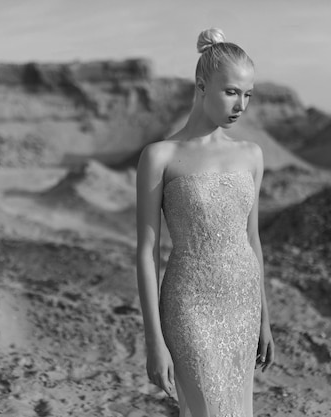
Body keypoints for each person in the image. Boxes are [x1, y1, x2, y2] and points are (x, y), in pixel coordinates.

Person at [135, 28, 274, 416]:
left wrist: (264, 317)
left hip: (243, 305)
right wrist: (154, 340)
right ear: (201, 86)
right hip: (189, 307)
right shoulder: (159, 157)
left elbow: (252, 238)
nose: (241, 105)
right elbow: (146, 253)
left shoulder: (251, 155)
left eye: (248, 95)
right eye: (231, 92)